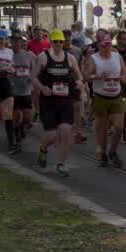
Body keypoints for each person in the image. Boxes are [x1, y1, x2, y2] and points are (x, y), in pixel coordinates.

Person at [33, 30, 83, 177]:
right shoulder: (43, 57)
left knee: (66, 132)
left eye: (61, 42)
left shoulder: (70, 58)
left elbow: (78, 73)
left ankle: (60, 164)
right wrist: (42, 88)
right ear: (51, 42)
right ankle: (43, 148)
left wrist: (79, 81)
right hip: (48, 101)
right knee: (52, 136)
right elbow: (33, 77)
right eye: (55, 42)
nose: (58, 44)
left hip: (65, 100)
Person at [85, 37, 126, 167]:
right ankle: (103, 154)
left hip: (116, 97)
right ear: (99, 46)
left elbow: (125, 72)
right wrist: (98, 76)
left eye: (109, 45)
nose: (107, 47)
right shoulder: (94, 59)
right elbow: (86, 76)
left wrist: (122, 77)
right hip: (100, 98)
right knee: (102, 129)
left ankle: (113, 151)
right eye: (104, 45)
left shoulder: (117, 56)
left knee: (119, 127)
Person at [7, 33, 35, 154]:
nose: (17, 44)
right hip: (13, 91)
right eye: (15, 41)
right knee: (17, 116)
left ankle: (21, 129)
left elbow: (34, 69)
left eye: (20, 41)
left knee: (28, 117)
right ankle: (17, 140)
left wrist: (31, 78)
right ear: (11, 43)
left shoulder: (29, 55)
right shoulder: (8, 55)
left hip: (26, 90)